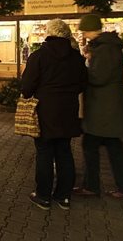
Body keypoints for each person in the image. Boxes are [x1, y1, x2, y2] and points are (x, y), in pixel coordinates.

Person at [21, 19, 88, 210]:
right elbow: (83, 83)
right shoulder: (76, 58)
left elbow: (26, 87)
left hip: (45, 110)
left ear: (49, 33)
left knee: (44, 152)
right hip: (68, 110)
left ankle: (43, 195)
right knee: (64, 152)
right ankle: (63, 196)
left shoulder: (39, 56)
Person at [73, 14, 123, 201]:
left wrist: (84, 69)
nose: (83, 34)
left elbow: (98, 77)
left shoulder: (105, 49)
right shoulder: (108, 47)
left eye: (84, 30)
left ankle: (93, 186)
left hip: (104, 109)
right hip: (106, 108)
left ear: (91, 29)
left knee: (93, 145)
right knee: (113, 148)